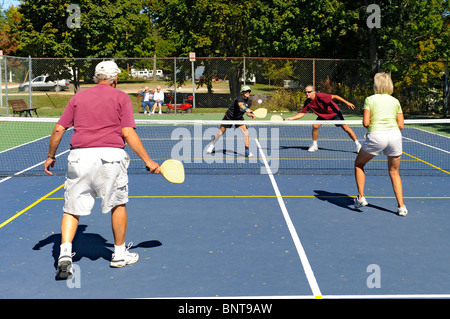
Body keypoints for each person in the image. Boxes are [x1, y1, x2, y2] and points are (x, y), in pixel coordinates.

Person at [44, 60, 160, 280]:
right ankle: (118, 254)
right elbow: (127, 132)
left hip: (79, 157)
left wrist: (50, 156)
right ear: (115, 78)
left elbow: (59, 129)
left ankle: (65, 254)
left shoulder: (78, 97)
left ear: (96, 77)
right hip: (110, 158)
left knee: (71, 209)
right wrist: (148, 160)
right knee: (118, 203)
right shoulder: (121, 97)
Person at [354, 72, 407, 216]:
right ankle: (401, 207)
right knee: (394, 172)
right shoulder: (395, 101)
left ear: (376, 84)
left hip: (377, 136)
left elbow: (366, 123)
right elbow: (401, 125)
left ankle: (360, 198)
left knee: (359, 164)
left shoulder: (369, 99)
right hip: (395, 136)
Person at [285, 85, 361, 153]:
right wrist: (291, 118)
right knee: (315, 126)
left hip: (334, 114)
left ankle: (358, 145)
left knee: (346, 128)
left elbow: (335, 96)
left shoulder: (321, 96)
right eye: (306, 92)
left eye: (309, 92)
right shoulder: (307, 102)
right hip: (323, 116)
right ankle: (314, 145)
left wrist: (347, 103)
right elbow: (302, 114)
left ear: (313, 92)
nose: (307, 93)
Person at [206, 85, 256, 157]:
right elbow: (241, 105)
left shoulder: (249, 101)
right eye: (246, 91)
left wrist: (251, 115)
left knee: (246, 132)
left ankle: (247, 152)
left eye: (249, 91)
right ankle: (212, 145)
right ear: (242, 92)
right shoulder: (239, 98)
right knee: (220, 133)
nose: (247, 92)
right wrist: (246, 109)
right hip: (229, 117)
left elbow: (247, 112)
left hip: (238, 118)